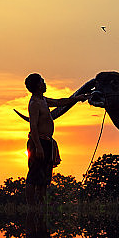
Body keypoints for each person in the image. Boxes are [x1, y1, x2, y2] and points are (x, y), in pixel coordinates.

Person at [24, 73, 87, 205]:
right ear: (37, 85)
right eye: (42, 81)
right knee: (33, 176)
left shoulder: (44, 100)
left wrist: (77, 98)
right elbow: (33, 127)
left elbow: (60, 102)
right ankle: (31, 207)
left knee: (45, 178)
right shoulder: (34, 103)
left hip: (48, 143)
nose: (45, 83)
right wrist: (38, 147)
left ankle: (41, 205)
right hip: (38, 143)